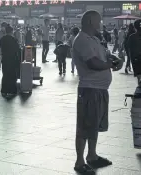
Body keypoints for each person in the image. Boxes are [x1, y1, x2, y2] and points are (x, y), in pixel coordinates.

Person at [73, 10, 115, 175]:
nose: (100, 24)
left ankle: (92, 156)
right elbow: (93, 63)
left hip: (100, 89)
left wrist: (113, 61)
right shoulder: (82, 40)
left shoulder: (95, 40)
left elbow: (104, 58)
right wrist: (110, 65)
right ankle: (79, 161)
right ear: (90, 22)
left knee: (94, 125)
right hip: (89, 89)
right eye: (98, 21)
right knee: (85, 126)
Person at [0, 25, 20, 97]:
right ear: (12, 31)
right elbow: (17, 49)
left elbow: (1, 47)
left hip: (5, 59)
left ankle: (4, 90)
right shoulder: (14, 40)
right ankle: (12, 91)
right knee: (12, 75)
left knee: (5, 75)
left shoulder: (2, 39)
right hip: (12, 59)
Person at [128, 19, 141, 84]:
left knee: (138, 76)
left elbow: (130, 49)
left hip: (136, 59)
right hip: (136, 58)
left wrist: (131, 59)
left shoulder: (132, 37)